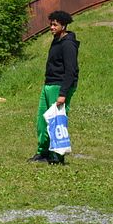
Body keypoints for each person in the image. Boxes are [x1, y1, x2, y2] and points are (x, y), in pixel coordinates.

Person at [29, 10, 79, 164]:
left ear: (63, 26)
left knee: (56, 122)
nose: (51, 27)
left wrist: (63, 94)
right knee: (42, 121)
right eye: (51, 24)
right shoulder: (56, 40)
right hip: (49, 85)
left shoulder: (68, 44)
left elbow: (71, 71)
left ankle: (57, 156)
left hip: (59, 86)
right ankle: (42, 152)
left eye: (55, 25)